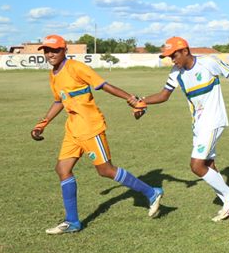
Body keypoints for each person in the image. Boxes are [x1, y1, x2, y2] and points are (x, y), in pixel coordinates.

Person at [29, 34, 163, 234]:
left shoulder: (76, 67)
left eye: (54, 50)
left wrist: (132, 99)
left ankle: (151, 192)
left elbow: (103, 85)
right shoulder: (53, 74)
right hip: (72, 129)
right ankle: (72, 222)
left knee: (105, 170)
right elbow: (59, 100)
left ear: (64, 50)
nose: (50, 54)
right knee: (62, 169)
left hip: (90, 127)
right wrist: (43, 123)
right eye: (47, 51)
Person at [132, 37, 229, 221]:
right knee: (208, 165)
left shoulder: (208, 63)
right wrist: (141, 101)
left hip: (213, 120)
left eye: (174, 55)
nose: (172, 60)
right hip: (198, 124)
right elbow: (164, 95)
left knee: (196, 165)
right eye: (169, 57)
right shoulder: (176, 72)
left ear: (184, 51)